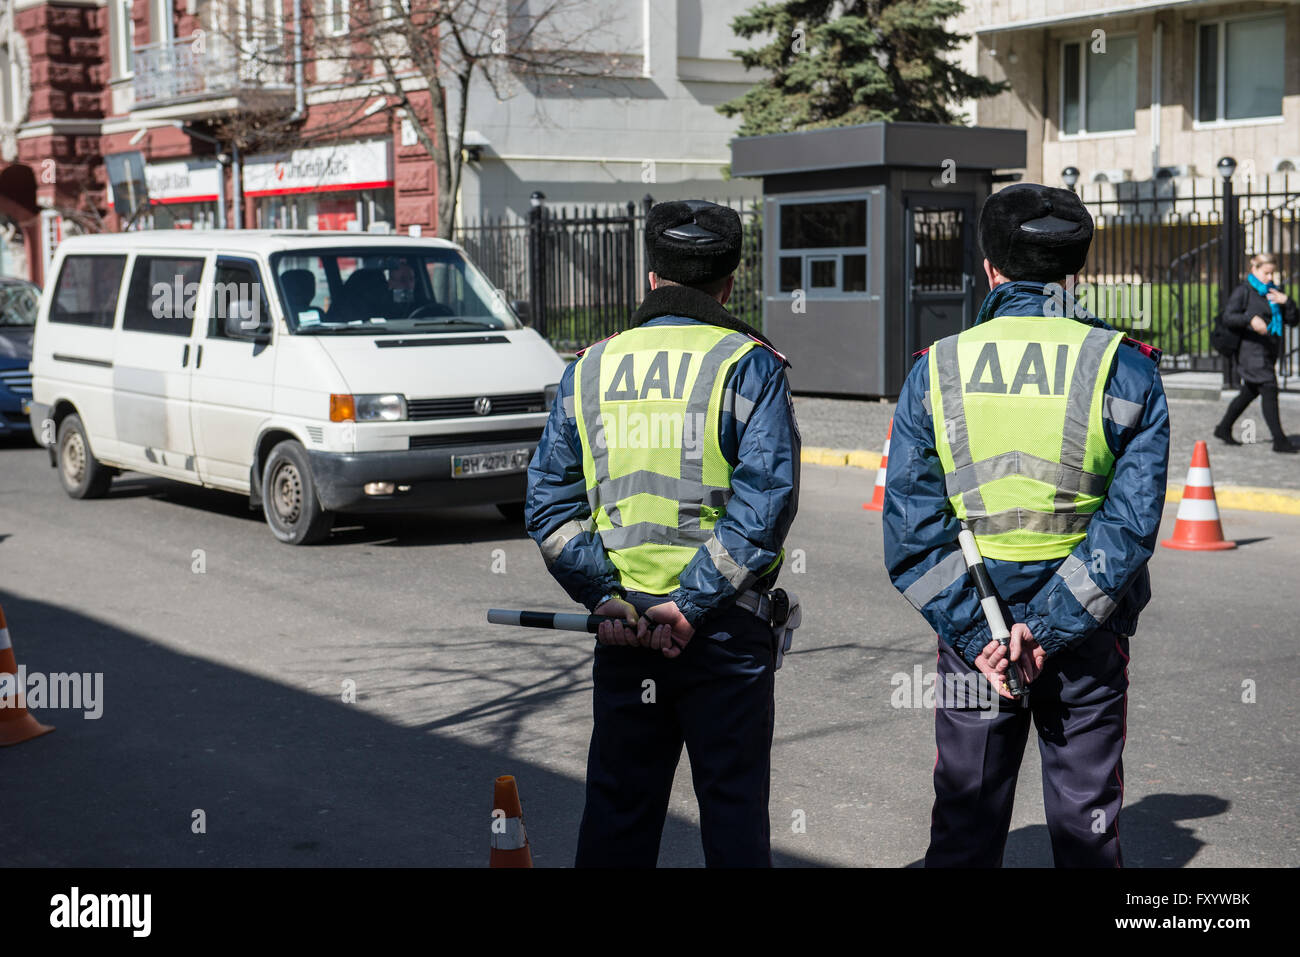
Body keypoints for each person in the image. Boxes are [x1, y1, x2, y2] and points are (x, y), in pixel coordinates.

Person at [883, 183, 1171, 867]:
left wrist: (982, 633)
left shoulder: (937, 369)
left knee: (964, 816)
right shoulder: (1125, 368)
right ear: (1077, 272)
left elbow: (912, 531)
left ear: (990, 267)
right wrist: (1044, 629)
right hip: (1087, 637)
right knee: (1086, 821)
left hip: (971, 638)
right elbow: (1129, 526)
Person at [525, 200, 801, 867]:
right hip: (725, 632)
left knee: (619, 815)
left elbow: (548, 505)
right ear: (729, 283)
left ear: (651, 277)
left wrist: (605, 595)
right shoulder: (747, 364)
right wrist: (692, 603)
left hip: (625, 629)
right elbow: (765, 502)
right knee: (733, 818)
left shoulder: (589, 367)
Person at [1214, 253, 1299, 453]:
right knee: (1269, 388)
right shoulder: (1244, 291)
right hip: (1250, 351)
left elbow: (1293, 321)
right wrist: (1250, 319)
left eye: (1272, 273)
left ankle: (1223, 428)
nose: (1270, 277)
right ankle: (1279, 440)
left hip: (1268, 351)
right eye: (1266, 273)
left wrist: (1287, 302)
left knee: (1249, 391)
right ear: (1255, 269)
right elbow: (1228, 317)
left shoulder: (1274, 292)